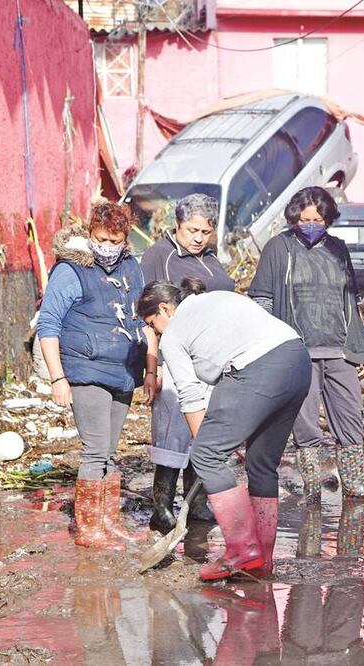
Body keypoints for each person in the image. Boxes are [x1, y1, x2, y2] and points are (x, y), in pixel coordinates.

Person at [138, 278, 311, 580]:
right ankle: (262, 560)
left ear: (165, 309)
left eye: (152, 323)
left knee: (205, 454)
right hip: (297, 360)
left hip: (259, 368)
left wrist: (207, 448)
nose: (154, 332)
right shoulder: (217, 298)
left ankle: (242, 549)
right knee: (261, 464)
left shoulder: (174, 334)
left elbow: (190, 397)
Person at [248, 186, 364, 506]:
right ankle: (312, 490)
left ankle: (354, 485)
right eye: (305, 217)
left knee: (350, 417)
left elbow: (350, 300)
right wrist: (268, 348)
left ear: (328, 219)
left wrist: (358, 346)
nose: (311, 223)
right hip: (297, 353)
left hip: (338, 350)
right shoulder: (278, 247)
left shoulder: (338, 248)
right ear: (294, 216)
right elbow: (262, 299)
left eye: (318, 218)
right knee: (305, 423)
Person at [37, 201, 158, 549]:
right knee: (94, 451)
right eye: (100, 238)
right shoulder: (71, 270)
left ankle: (109, 522)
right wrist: (58, 378)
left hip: (123, 370)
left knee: (108, 452)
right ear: (90, 234)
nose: (106, 247)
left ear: (125, 239)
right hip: (85, 369)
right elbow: (49, 325)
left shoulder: (132, 269)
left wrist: (151, 369)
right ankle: (89, 530)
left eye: (114, 240)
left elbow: (144, 321)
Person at [139, 194, 234, 534]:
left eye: (205, 231)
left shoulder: (210, 258)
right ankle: (161, 506)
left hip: (212, 357)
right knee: (172, 433)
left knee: (201, 431)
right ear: (176, 225)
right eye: (192, 229)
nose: (198, 237)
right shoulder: (158, 257)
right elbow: (146, 314)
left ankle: (196, 502)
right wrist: (153, 367)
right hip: (174, 360)